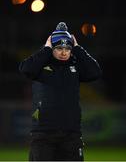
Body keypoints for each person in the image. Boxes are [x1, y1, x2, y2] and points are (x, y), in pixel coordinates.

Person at [19, 22, 101, 161]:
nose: (64, 52)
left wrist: (77, 48)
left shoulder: (75, 66)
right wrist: (46, 48)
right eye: (59, 48)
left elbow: (95, 72)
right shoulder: (40, 66)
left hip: (71, 135)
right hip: (43, 135)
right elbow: (25, 69)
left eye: (67, 48)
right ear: (52, 48)